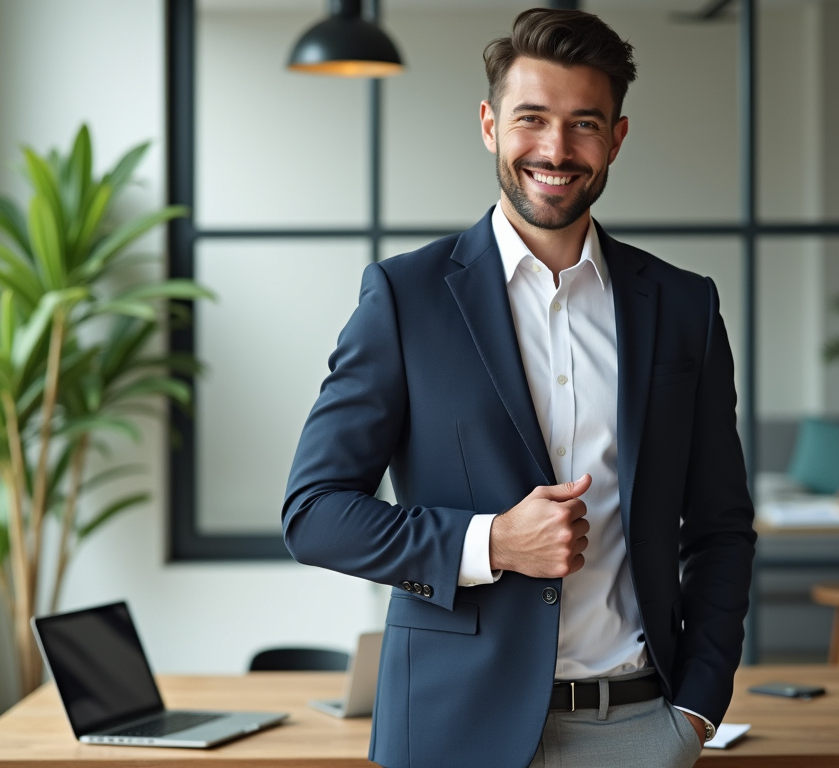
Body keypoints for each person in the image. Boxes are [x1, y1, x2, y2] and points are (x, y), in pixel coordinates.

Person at [283, 8, 755, 768]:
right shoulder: (405, 299)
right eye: (531, 118)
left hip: (636, 728)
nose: (556, 149)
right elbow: (314, 514)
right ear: (489, 124)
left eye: (584, 124)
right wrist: (492, 541)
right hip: (446, 727)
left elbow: (720, 528)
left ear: (617, 138)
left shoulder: (684, 307)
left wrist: (697, 707)